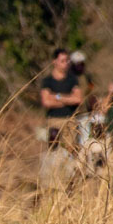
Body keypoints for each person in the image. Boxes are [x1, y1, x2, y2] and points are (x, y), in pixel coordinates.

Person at [38, 48, 85, 188]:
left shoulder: (72, 79)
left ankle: (69, 185)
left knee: (70, 153)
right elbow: (46, 102)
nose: (66, 63)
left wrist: (57, 97)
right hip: (54, 120)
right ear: (55, 62)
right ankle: (51, 184)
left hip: (70, 121)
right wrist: (68, 99)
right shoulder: (47, 81)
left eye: (67, 61)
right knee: (53, 152)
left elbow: (78, 99)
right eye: (63, 61)